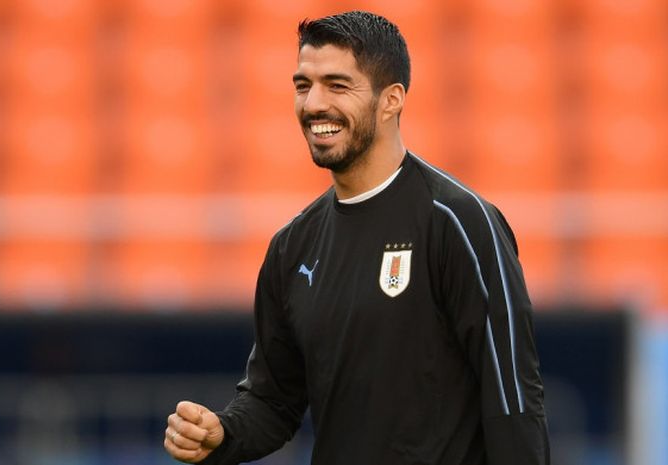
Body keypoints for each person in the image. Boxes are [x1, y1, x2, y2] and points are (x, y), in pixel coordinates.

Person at [164, 10, 550, 465]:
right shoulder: (292, 248)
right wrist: (222, 434)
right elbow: (274, 401)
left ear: (391, 101)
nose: (313, 105)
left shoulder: (458, 223)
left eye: (337, 85)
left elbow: (513, 402)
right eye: (303, 85)